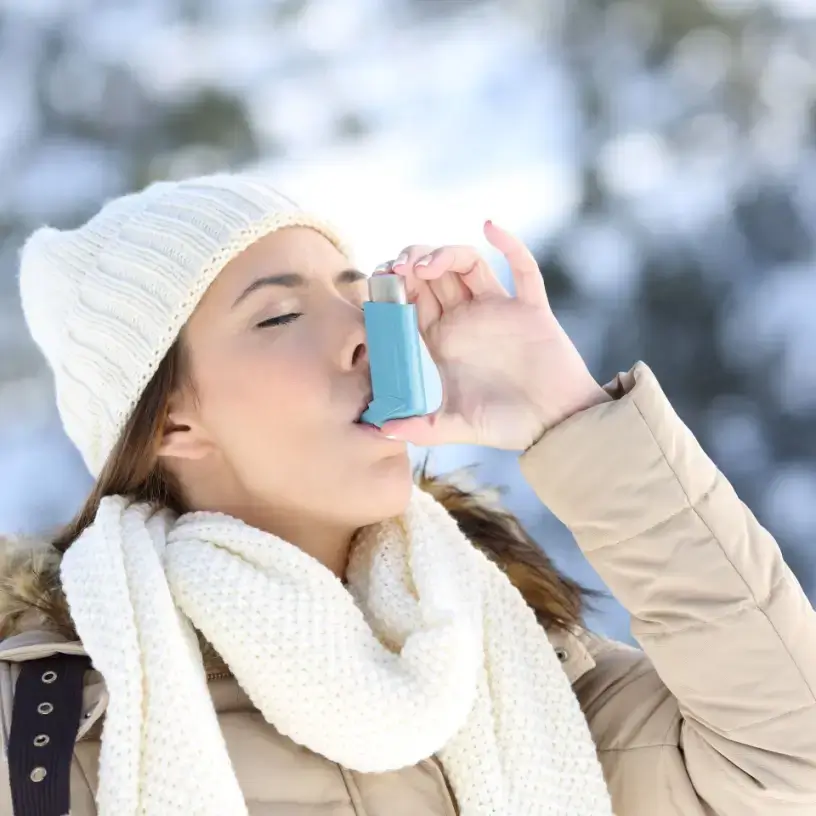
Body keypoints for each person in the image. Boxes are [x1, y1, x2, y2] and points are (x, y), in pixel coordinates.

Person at [0, 173, 813, 816]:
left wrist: (568, 414)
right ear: (171, 422)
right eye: (280, 316)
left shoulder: (520, 669)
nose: (363, 331)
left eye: (357, 291)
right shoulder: (45, 727)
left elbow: (791, 758)